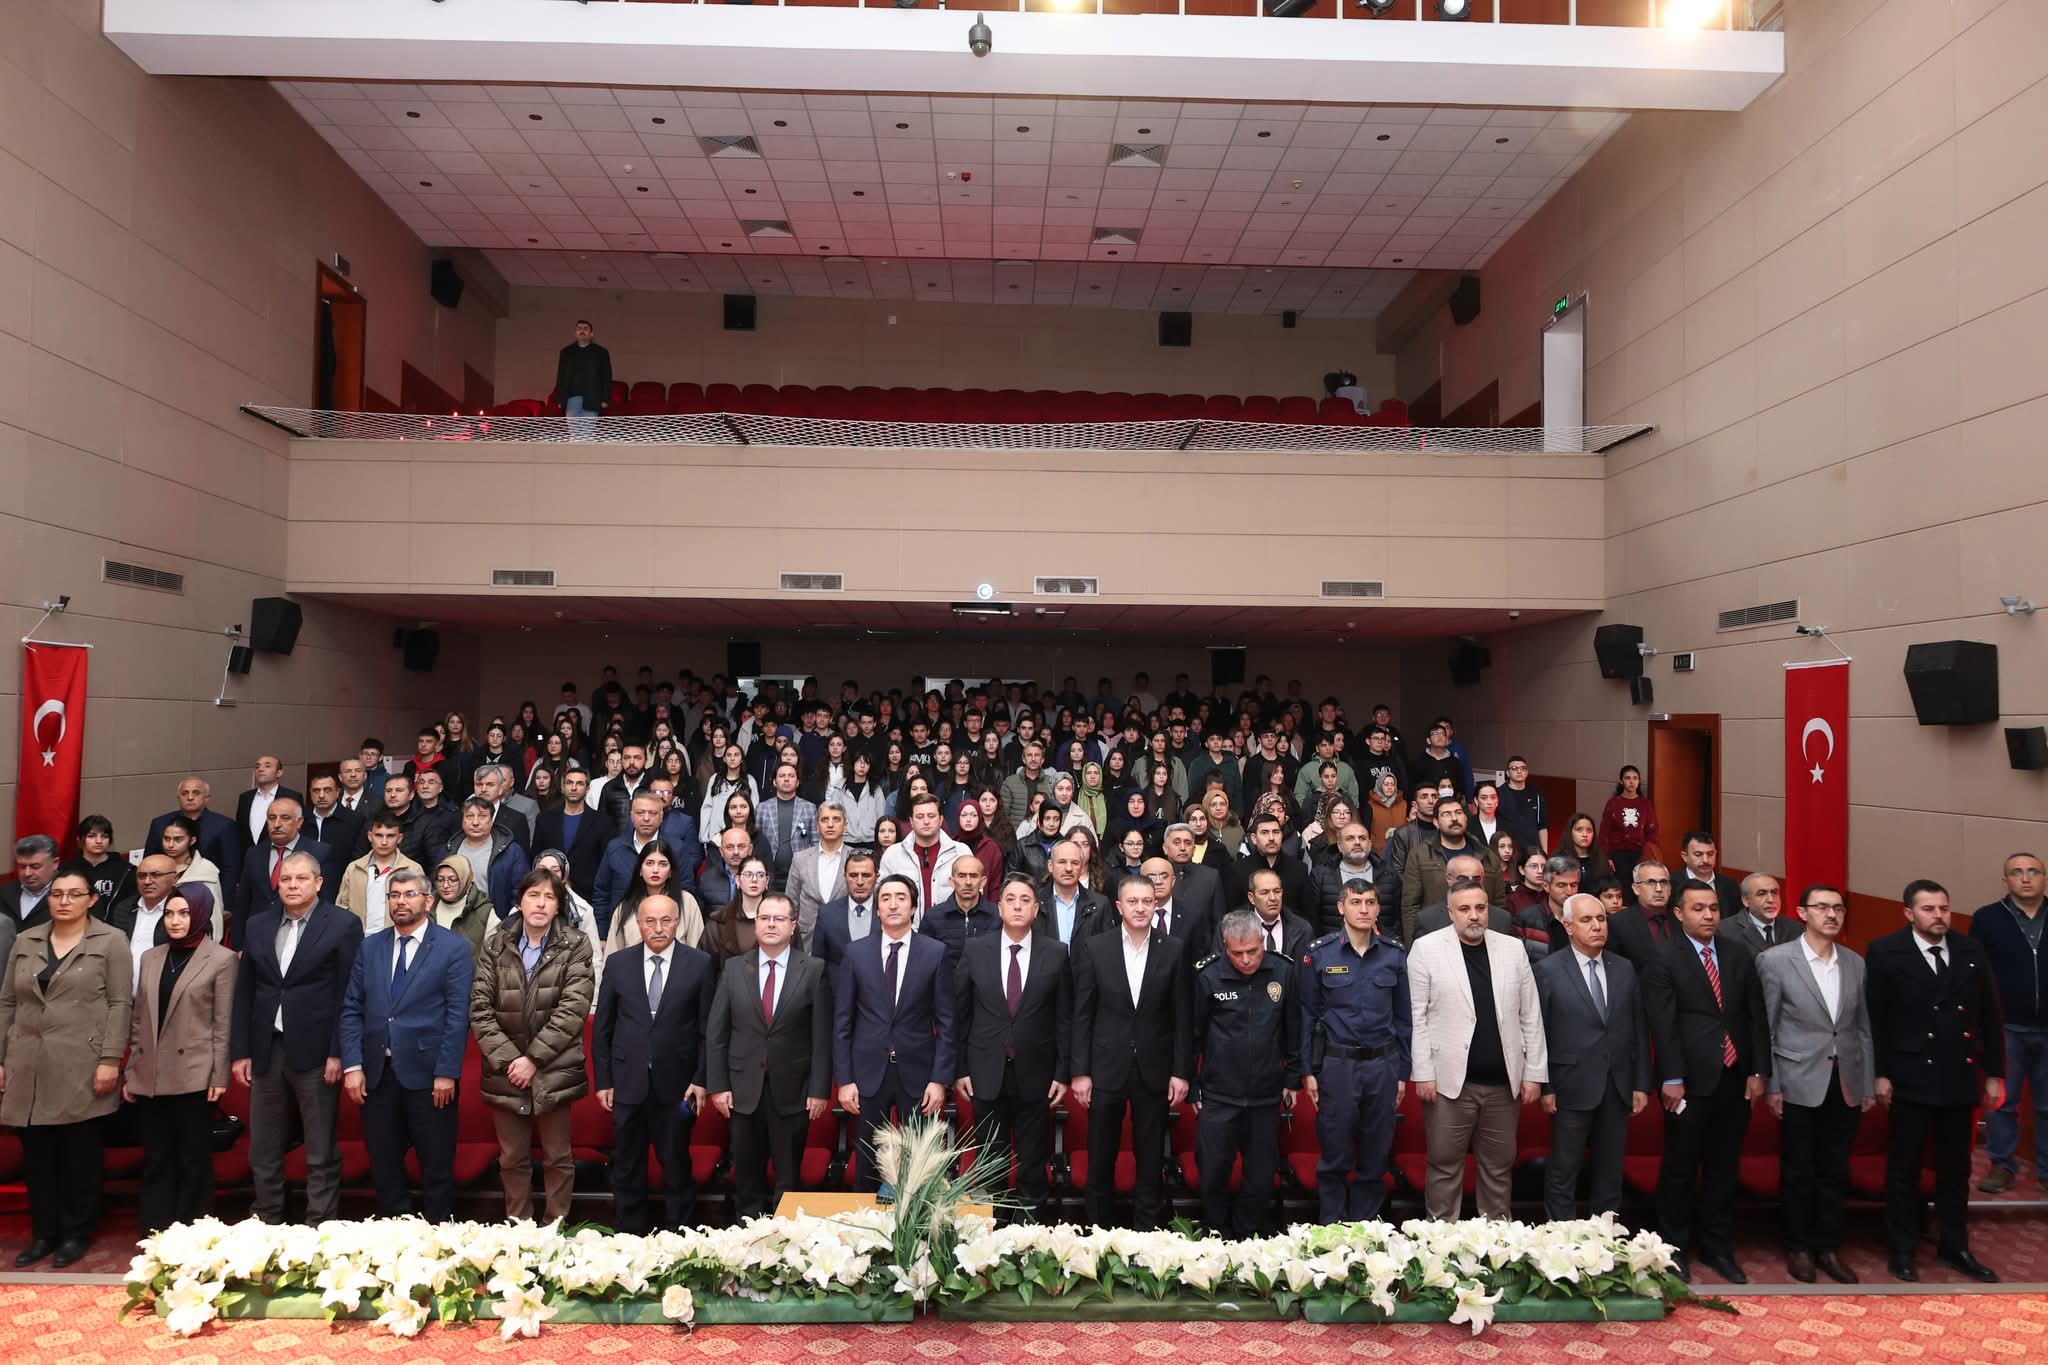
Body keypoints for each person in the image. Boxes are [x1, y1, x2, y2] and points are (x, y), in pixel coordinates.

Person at [1867, 879, 2004, 1283]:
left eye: (1943, 908)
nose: (1939, 916)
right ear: (1908, 913)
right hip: (1908, 1074)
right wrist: (1879, 1072)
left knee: (1956, 1169)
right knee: (1904, 1169)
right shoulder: (1885, 950)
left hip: (1958, 1073)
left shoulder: (1970, 949)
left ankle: (1955, 1245)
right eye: (1929, 909)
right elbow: (1875, 1018)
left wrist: (1995, 1073)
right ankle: (1902, 1247)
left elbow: (1990, 1015)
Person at [0, 870, 132, 1267]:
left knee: (80, 1157)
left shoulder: (110, 940)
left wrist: (110, 1059)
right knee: (38, 1157)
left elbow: (120, 1003)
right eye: (57, 894)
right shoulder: (26, 939)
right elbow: (7, 1002)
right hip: (28, 1063)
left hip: (82, 1062)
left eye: (74, 894)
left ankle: (76, 1233)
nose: (64, 901)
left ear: (91, 900)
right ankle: (45, 1233)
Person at [230, 850, 363, 1226]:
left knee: (319, 1147)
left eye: (301, 879)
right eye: (286, 879)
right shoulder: (258, 924)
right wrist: (240, 1051)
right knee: (263, 1146)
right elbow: (245, 992)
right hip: (267, 1048)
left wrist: (339, 1052)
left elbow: (349, 994)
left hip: (318, 1052)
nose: (292, 885)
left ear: (318, 883)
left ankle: (320, 1224)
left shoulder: (342, 924)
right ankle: (268, 1217)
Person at [1644, 883, 1768, 1284]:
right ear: (1680, 914)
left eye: (1713, 908)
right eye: (1698, 908)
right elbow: (1663, 1023)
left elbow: (1755, 1016)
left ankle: (1718, 1248)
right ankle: (1674, 1249)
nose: (1709, 915)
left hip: (1734, 1078)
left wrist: (1757, 1071)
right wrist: (1672, 1077)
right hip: (1688, 1082)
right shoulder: (1664, 956)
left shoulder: (1737, 953)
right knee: (1680, 1170)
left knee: (1723, 1169)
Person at [339, 869, 475, 1223]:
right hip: (377, 1075)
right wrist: (352, 1065)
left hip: (429, 1076)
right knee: (384, 1164)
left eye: (409, 894)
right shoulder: (371, 946)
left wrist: (447, 1072)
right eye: (394, 895)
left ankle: (438, 1237)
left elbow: (457, 1016)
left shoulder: (453, 948)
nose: (401, 902)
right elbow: (352, 1007)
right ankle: (394, 1237)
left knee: (436, 1164)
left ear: (428, 901)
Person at [1408, 877, 1547, 1221]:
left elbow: (1530, 1014)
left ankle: (1496, 1243)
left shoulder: (1512, 949)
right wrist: (1423, 1073)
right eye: (1465, 909)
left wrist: (1533, 1072)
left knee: (1498, 1168)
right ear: (1450, 912)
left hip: (1503, 1085)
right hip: (1449, 1084)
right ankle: (1440, 1242)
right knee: (1444, 1166)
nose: (1474, 915)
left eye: (1480, 908)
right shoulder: (1426, 949)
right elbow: (1416, 1017)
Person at [1757, 884, 1872, 1284]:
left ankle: (1828, 1246)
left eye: (1838, 908)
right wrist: (1772, 1084)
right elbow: (1768, 1028)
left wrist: (1867, 1082)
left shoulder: (1855, 963)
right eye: (1822, 907)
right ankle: (1798, 1247)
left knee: (1835, 1169)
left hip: (1846, 1080)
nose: (1832, 914)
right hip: (1797, 1079)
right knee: (1798, 1170)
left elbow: (1863, 1028)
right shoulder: (1775, 961)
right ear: (1802, 913)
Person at [471, 867, 595, 1223]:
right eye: (533, 896)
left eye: (549, 897)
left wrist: (533, 1060)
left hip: (554, 1068)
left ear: (558, 906)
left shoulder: (576, 944)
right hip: (505, 1070)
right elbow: (479, 1008)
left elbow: (573, 1010)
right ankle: (519, 1230)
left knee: (558, 1157)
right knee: (512, 1158)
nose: (541, 904)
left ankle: (555, 1230)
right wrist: (513, 1061)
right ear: (520, 902)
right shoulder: (495, 943)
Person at [1070, 873, 1191, 1229]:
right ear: (1119, 906)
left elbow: (1182, 1017)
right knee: (1101, 1154)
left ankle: (1147, 1234)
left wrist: (1181, 1072)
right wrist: (1080, 1072)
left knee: (1151, 1157)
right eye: (1133, 902)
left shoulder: (1174, 948)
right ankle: (1097, 1232)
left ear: (1156, 905)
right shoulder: (1096, 947)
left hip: (1154, 1067)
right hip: (1106, 1067)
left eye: (1147, 902)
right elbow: (1083, 1013)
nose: (1140, 908)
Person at [953, 873, 1072, 1221]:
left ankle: (1029, 1237)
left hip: (1037, 1074)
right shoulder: (976, 950)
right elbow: (960, 1014)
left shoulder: (1056, 953)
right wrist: (960, 1068)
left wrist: (1062, 1071)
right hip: (985, 1072)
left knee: (1033, 1164)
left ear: (1036, 909)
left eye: (1025, 900)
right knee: (991, 1161)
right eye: (1011, 900)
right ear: (999, 907)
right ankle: (995, 1234)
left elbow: (1065, 1018)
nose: (1018, 906)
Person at [706, 895, 833, 1219]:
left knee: (788, 1180)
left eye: (779, 919)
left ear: (793, 926)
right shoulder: (734, 969)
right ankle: (747, 1241)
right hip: (742, 1090)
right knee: (746, 1179)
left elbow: (821, 1037)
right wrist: (718, 1086)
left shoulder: (813, 970)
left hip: (793, 1091)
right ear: (756, 924)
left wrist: (819, 1090)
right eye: (764, 918)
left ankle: (784, 1241)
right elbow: (717, 1034)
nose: (771, 924)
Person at [594, 894, 715, 1232]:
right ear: (639, 924)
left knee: (676, 1165)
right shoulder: (618, 963)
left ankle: (681, 1237)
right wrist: (604, 1080)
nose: (658, 928)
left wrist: (701, 1078)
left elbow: (709, 1030)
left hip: (677, 1086)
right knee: (627, 1167)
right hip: (626, 1083)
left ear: (678, 923)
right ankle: (628, 1239)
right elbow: (603, 1028)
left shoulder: (700, 964)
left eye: (666, 920)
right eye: (650, 921)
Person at [124, 883, 236, 1234]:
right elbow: (139, 1019)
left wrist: (219, 1075)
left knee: (193, 1157)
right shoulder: (151, 957)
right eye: (169, 913)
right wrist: (131, 1070)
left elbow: (223, 1023)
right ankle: (156, 1231)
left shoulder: (221, 959)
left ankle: (193, 1232)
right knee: (156, 1156)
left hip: (195, 1071)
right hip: (151, 1071)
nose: (175, 921)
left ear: (200, 914)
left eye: (184, 913)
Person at [832, 873, 956, 1189]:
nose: (893, 904)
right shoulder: (856, 953)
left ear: (914, 907)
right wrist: (844, 1080)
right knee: (867, 1163)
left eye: (901, 898)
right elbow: (843, 1022)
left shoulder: (935, 952)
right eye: (885, 898)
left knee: (918, 1167)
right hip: (867, 1073)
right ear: (877, 909)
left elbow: (946, 1022)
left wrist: (939, 1080)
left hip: (918, 1073)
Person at [1533, 892, 1648, 1223]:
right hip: (1570, 1085)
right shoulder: (1548, 970)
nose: (1597, 926)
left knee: (1610, 1172)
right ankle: (1561, 1239)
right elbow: (1540, 1032)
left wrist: (1640, 1083)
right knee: (1563, 1170)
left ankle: (1606, 1239)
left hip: (1617, 1084)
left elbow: (1638, 1029)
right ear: (1568, 926)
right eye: (1586, 920)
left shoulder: (1624, 968)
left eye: (1601, 919)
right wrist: (1546, 1086)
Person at [1299, 878, 1410, 1222]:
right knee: (1334, 1155)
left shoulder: (1394, 954)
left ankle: (1365, 1232)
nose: (1364, 909)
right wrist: (1307, 1070)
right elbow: (1307, 1015)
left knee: (1375, 1157)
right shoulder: (1320, 954)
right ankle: (1332, 1231)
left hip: (1382, 1065)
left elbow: (1404, 1018)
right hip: (1338, 1065)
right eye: (1356, 902)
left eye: (1370, 902)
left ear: (1378, 908)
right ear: (1341, 908)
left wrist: (1402, 1073)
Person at [1191, 908, 1300, 1238]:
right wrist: (1193, 1085)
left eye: (1253, 951)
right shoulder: (1208, 975)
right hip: (1219, 1094)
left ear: (1262, 941)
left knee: (1260, 1177)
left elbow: (1293, 1029)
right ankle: (1216, 1233)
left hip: (1265, 1094)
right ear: (1225, 946)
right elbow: (1193, 1035)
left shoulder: (1283, 971)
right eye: (1237, 953)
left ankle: (1246, 1236)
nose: (1246, 960)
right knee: (1213, 1171)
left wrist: (1292, 1078)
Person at [1970, 852, 2047, 1196]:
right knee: (2002, 1102)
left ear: (2044, 878)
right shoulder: (1986, 919)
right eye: (2017, 872)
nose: (2025, 878)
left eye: (2033, 871)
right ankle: (2002, 1165)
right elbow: (1975, 974)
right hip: (2006, 1029)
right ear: (2006, 881)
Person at [1399, 796, 1503, 946]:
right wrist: (1413, 946)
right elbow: (1410, 907)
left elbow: (1498, 904)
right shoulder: (1419, 855)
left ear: (1466, 818)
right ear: (1436, 822)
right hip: (1436, 938)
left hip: (1481, 937)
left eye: (1458, 812)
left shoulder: (1487, 856)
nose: (1454, 818)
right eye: (1446, 814)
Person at [877, 792, 968, 926]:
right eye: (920, 817)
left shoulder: (961, 852)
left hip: (950, 931)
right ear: (911, 821)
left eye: (931, 816)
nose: (926, 821)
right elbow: (881, 896)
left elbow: (974, 894)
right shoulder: (893, 854)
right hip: (907, 931)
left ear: (941, 820)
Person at [144, 777, 245, 895]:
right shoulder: (160, 823)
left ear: (206, 798)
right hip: (164, 891)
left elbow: (231, 869)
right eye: (185, 793)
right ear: (178, 798)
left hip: (208, 891)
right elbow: (148, 861)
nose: (190, 797)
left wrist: (224, 901)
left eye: (196, 793)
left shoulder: (224, 825)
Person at [336, 812, 423, 934]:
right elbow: (341, 907)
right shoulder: (354, 868)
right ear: (370, 836)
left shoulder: (413, 869)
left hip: (396, 938)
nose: (384, 842)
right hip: (357, 938)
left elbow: (420, 909)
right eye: (379, 835)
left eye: (390, 836)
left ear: (399, 838)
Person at [444, 796, 531, 917]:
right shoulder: (450, 849)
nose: (475, 822)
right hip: (453, 918)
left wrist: (510, 922)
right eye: (469, 816)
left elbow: (521, 891)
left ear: (491, 820)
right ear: (462, 820)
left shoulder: (510, 851)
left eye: (482, 816)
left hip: (494, 920)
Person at [533, 765, 610, 900]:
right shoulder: (545, 819)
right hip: (549, 890)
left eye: (579, 783)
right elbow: (536, 856)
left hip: (588, 894)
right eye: (569, 783)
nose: (574, 788)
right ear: (563, 787)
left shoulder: (602, 822)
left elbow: (605, 862)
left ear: (587, 788)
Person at [921, 855, 998, 981]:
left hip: (986, 988)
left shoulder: (997, 916)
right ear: (951, 881)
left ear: (983, 881)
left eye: (973, 876)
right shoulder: (933, 917)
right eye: (962, 876)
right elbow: (924, 961)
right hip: (945, 987)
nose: (968, 882)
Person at [788, 801, 851, 947]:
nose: (830, 825)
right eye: (824, 820)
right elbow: (791, 904)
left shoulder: (855, 859)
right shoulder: (800, 859)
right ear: (817, 826)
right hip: (807, 939)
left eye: (836, 819)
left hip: (845, 938)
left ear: (845, 825)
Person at [755, 762, 819, 894]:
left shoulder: (809, 808)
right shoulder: (762, 808)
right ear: (774, 782)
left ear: (797, 782)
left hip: (800, 875)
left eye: (791, 776)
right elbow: (756, 842)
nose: (786, 779)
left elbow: (816, 842)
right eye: (782, 775)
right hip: (769, 875)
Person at [810, 850, 880, 965]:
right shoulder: (827, 914)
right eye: (853, 875)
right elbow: (818, 963)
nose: (860, 882)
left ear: (876, 877)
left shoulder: (887, 911)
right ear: (845, 877)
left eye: (866, 875)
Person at [1038, 840, 1110, 946]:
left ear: (1081, 868)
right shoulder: (1036, 903)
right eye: (1062, 862)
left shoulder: (1100, 905)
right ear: (1050, 866)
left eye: (1075, 863)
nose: (1068, 868)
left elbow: (1106, 946)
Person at [1606, 860, 1678, 967]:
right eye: (1651, 882)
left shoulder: (1681, 918)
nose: (1659, 889)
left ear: (1670, 888)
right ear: (1636, 889)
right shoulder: (1618, 923)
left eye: (1663, 882)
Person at [1598, 766, 1656, 891]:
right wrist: (1606, 857)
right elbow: (1604, 833)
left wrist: (1649, 856)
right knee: (1622, 890)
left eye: (1635, 778)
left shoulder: (1646, 804)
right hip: (1618, 855)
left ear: (1639, 781)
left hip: (1640, 855)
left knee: (1640, 890)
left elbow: (1651, 832)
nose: (1631, 781)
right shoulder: (1613, 803)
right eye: (1627, 778)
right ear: (1621, 781)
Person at [556, 317, 613, 439]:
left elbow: (606, 376)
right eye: (579, 328)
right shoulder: (566, 352)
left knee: (587, 434)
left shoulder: (601, 352)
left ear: (591, 334)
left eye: (585, 328)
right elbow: (561, 376)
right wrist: (560, 399)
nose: (582, 331)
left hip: (592, 399)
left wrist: (605, 399)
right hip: (571, 399)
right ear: (575, 333)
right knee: (574, 434)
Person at [1241, 866, 1313, 960]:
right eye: (1265, 892)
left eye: (1276, 891)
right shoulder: (1236, 928)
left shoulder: (1301, 929)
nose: (1273, 898)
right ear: (1251, 898)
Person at [429, 854, 496, 953]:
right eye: (440, 880)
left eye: (452, 880)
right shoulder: (427, 906)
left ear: (465, 880)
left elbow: (494, 953)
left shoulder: (485, 911)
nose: (445, 885)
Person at [303, 774, 364, 882]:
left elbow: (358, 857)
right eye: (316, 791)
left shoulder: (354, 820)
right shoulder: (301, 819)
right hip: (304, 882)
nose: (321, 795)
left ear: (337, 792)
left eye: (327, 790)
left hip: (341, 883)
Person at [234, 755, 302, 851]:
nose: (260, 769)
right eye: (257, 767)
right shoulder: (245, 798)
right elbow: (240, 829)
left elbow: (299, 830)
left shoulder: (292, 796)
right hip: (248, 854)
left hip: (280, 853)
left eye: (267, 766)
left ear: (279, 773)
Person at [1725, 872, 1800, 952]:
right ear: (1746, 901)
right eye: (1762, 894)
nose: (1771, 900)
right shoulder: (1726, 931)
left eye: (1774, 893)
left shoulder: (1796, 928)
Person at [1677, 831, 1742, 920]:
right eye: (1698, 854)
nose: (1705, 860)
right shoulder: (1672, 884)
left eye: (1710, 854)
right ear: (1685, 856)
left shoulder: (1730, 885)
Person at [1498, 756, 1548, 854]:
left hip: (1532, 849)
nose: (1519, 771)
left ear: (1527, 772)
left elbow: (1542, 826)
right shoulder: (1499, 793)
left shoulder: (1536, 793)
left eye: (1523, 768)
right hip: (1508, 850)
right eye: (1514, 768)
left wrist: (1545, 852)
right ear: (1507, 773)